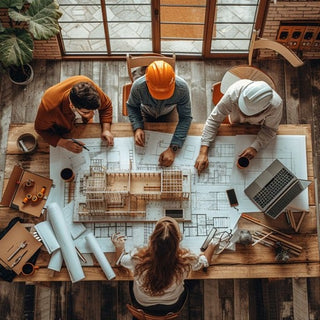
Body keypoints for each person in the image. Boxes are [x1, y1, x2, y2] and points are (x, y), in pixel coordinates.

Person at [111, 216, 215, 317]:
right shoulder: (186, 260)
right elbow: (204, 263)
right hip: (172, 304)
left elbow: (120, 261)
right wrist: (213, 244)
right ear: (178, 240)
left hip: (142, 302)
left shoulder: (138, 259)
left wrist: (119, 247)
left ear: (152, 239)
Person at [195, 79, 283, 174]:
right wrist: (203, 152)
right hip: (234, 122)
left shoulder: (276, 105)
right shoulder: (233, 93)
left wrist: (255, 147)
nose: (244, 114)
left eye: (248, 113)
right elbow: (214, 120)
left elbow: (270, 129)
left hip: (256, 127)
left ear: (263, 109)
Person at [126, 60, 193, 167]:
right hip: (146, 113)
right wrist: (137, 127)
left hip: (169, 113)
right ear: (147, 82)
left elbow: (185, 118)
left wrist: (173, 148)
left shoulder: (182, 88)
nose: (161, 98)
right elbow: (132, 106)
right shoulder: (138, 87)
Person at [34, 75, 114, 153]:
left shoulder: (88, 87)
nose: (92, 114)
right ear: (72, 105)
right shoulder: (49, 108)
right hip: (61, 129)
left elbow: (106, 105)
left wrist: (106, 130)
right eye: (86, 112)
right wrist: (64, 143)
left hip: (81, 126)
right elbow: (40, 129)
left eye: (93, 110)